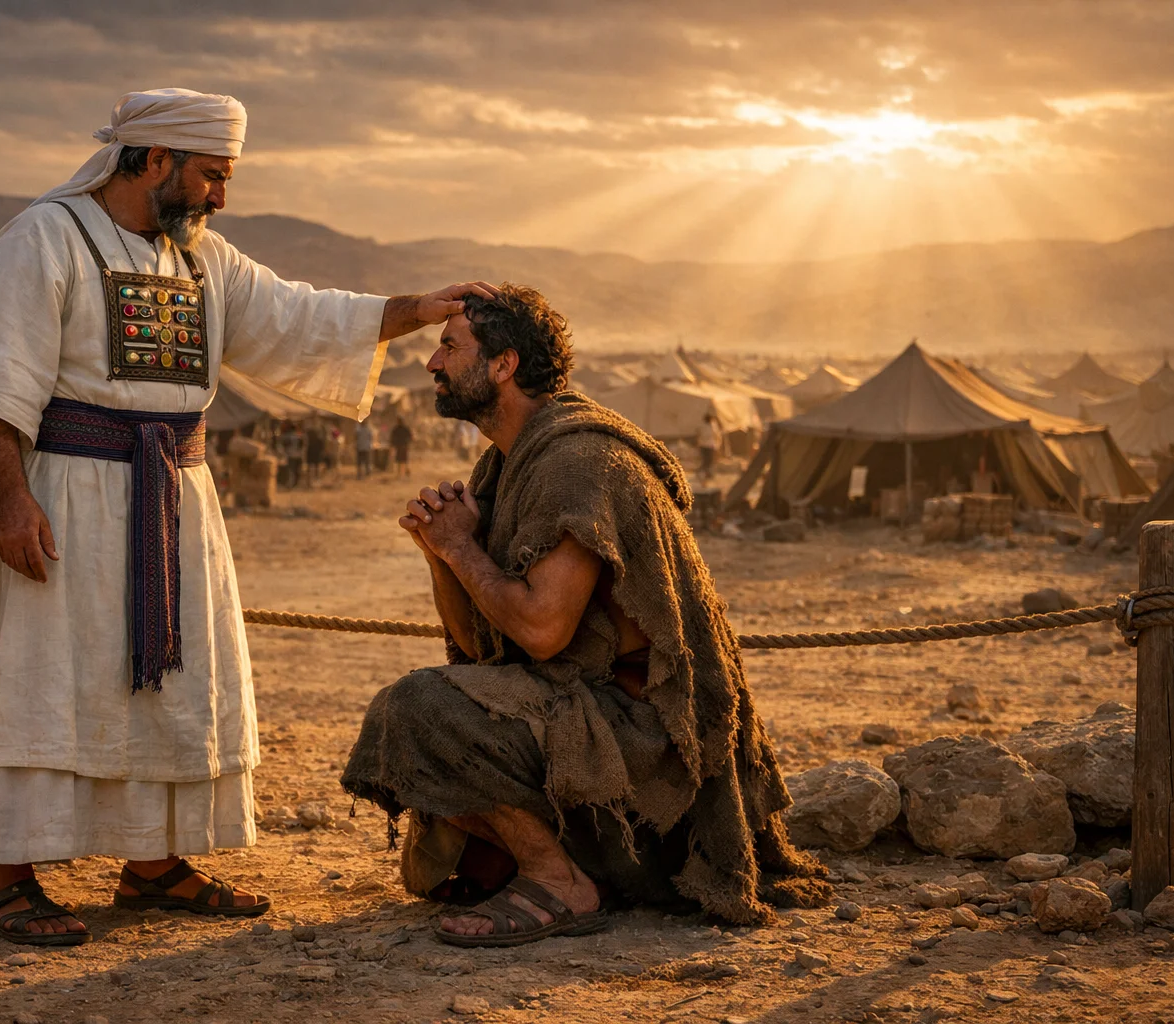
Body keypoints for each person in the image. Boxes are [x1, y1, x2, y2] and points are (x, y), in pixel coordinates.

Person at [0, 86, 496, 947]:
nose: (222, 197)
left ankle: (154, 865)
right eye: (211, 175)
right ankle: (8, 877)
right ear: (153, 159)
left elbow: (301, 316)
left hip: (174, 503)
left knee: (171, 682)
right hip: (69, 499)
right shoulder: (44, 238)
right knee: (48, 676)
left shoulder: (203, 262)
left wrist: (413, 310)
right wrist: (13, 502)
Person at [341, 285, 826, 948]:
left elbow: (541, 632)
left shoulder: (578, 463)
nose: (432, 362)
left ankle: (560, 880)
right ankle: (561, 861)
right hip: (586, 721)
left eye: (449, 347)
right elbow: (481, 650)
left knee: (417, 707)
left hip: (646, 763)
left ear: (504, 364)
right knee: (433, 817)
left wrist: (461, 549)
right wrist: (441, 553)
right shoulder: (509, 463)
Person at [694, 411, 722, 485]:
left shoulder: (711, 425)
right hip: (707, 446)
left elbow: (716, 436)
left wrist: (717, 445)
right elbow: (717, 436)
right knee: (707, 461)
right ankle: (703, 473)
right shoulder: (707, 426)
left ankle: (706, 474)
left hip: (708, 445)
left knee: (709, 461)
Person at [280, 422, 305, 489]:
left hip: (291, 455)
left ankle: (291, 484)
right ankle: (295, 484)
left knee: (291, 471)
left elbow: (284, 446)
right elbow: (302, 446)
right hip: (298, 455)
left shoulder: (286, 436)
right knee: (296, 471)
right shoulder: (300, 436)